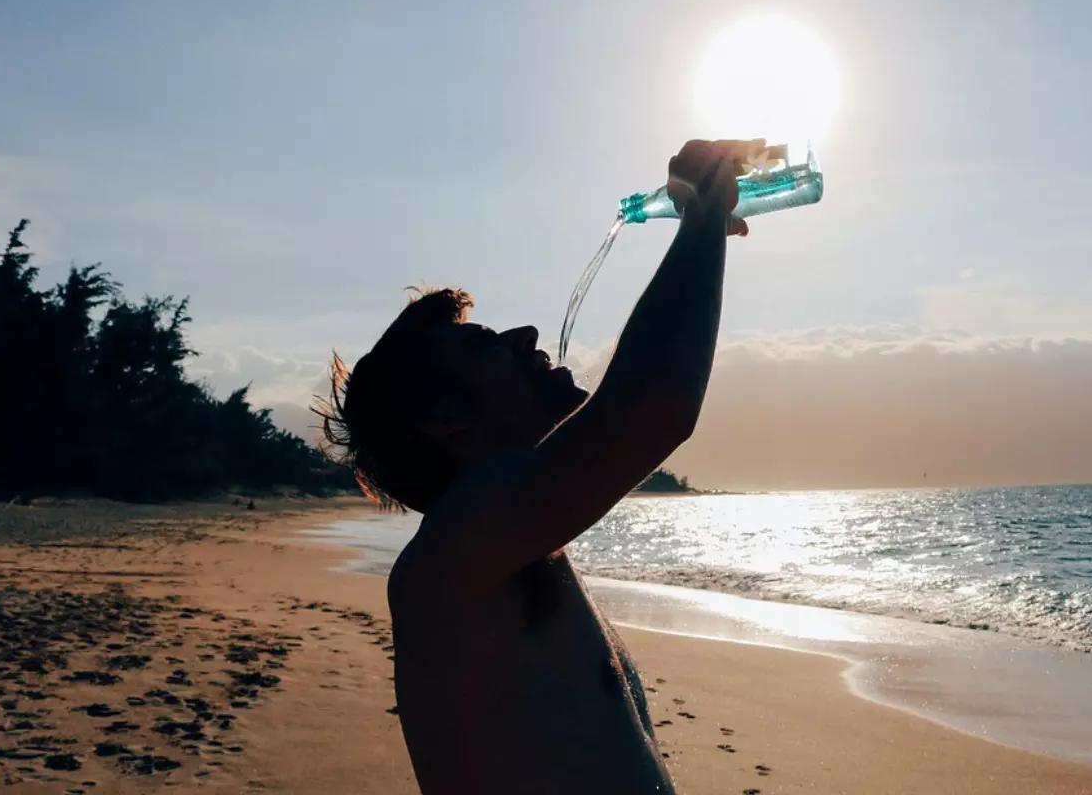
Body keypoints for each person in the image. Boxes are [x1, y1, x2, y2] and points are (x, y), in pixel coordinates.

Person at [316, 138, 760, 794]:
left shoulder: (511, 548)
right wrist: (700, 214)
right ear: (441, 414)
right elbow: (654, 407)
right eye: (483, 344)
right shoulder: (454, 553)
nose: (525, 336)